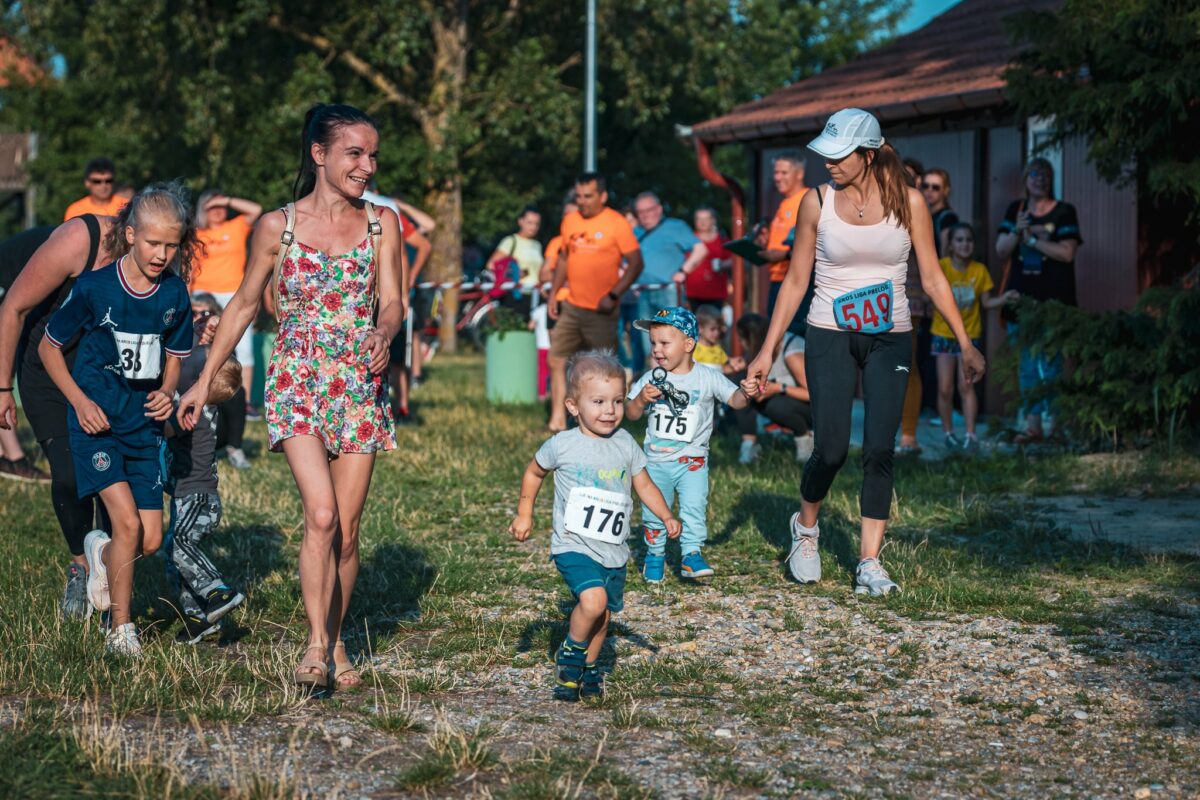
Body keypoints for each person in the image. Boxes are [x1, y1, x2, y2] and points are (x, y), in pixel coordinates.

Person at [179, 104, 406, 689]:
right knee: (321, 515)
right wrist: (203, 382)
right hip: (297, 379)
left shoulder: (382, 223)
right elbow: (243, 304)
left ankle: (337, 640)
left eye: (373, 155)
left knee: (347, 533)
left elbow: (393, 301)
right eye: (355, 153)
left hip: (358, 384)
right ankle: (314, 647)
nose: (367, 166)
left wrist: (383, 333)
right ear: (320, 154)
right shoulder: (275, 227)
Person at [747, 108, 985, 596]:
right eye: (826, 154)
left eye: (839, 156)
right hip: (828, 332)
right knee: (832, 448)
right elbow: (795, 280)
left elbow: (932, 277)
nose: (829, 163)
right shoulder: (816, 202)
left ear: (869, 155)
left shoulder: (909, 202)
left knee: (880, 447)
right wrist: (766, 351)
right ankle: (806, 529)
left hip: (890, 335)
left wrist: (965, 344)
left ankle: (869, 561)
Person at [39, 182, 197, 656]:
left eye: (171, 245)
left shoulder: (175, 293)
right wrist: (79, 402)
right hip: (97, 425)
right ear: (130, 235)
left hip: (142, 428)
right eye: (153, 243)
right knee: (126, 523)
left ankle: (100, 552)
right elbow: (49, 348)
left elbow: (175, 355)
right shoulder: (94, 288)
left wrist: (167, 391)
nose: (162, 254)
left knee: (148, 540)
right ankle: (121, 631)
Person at [509, 350, 680, 701]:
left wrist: (666, 515)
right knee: (593, 600)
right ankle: (570, 654)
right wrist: (525, 513)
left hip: (613, 550)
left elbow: (644, 484)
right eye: (598, 402)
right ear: (573, 406)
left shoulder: (625, 444)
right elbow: (534, 472)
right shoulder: (563, 444)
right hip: (574, 545)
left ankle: (585, 671)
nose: (610, 410)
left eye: (617, 401)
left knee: (602, 617)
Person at [0, 213, 123, 619]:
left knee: (110, 480)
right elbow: (13, 309)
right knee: (69, 475)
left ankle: (111, 578)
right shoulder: (79, 239)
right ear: (131, 230)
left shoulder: (160, 257)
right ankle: (80, 566)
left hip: (103, 377)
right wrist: (3, 388)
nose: (161, 254)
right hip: (45, 370)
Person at [625, 308, 756, 582]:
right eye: (653, 343)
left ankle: (691, 554)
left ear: (688, 344)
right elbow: (631, 414)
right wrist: (640, 400)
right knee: (654, 512)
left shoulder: (707, 377)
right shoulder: (651, 378)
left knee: (694, 508)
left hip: (693, 461)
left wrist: (746, 392)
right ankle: (655, 554)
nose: (657, 350)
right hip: (655, 462)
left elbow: (735, 400)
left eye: (664, 343)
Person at [163, 333, 245, 644]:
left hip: (197, 497)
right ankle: (200, 617)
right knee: (177, 556)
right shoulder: (206, 408)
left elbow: (164, 429)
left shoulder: (192, 412)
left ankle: (217, 591)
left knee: (180, 543)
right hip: (194, 497)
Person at [547, 173, 643, 431]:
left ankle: (606, 422)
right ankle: (557, 421)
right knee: (557, 359)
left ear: (603, 196)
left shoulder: (617, 223)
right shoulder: (570, 220)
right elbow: (564, 259)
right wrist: (554, 293)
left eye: (588, 196)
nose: (582, 201)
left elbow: (636, 263)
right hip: (571, 306)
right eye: (578, 196)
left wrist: (613, 295)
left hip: (602, 311)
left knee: (604, 369)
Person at [996, 157, 1083, 444]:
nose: (1039, 178)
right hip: (1021, 302)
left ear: (1051, 179)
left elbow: (1067, 253)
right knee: (1028, 365)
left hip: (1055, 303)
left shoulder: (1064, 212)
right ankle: (1033, 426)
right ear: (1025, 179)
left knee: (1054, 364)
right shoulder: (1016, 210)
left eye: (1045, 174)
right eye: (1033, 173)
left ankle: (1056, 426)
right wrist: (1016, 231)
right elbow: (1001, 250)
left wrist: (1032, 241)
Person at [933, 223, 1013, 451]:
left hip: (969, 338)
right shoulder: (942, 267)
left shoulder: (979, 271)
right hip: (943, 334)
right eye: (959, 240)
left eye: (969, 240)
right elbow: (932, 294)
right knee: (945, 388)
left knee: (966, 386)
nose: (965, 244)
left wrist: (1006, 298)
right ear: (950, 245)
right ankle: (948, 434)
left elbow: (986, 302)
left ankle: (971, 436)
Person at [191, 189, 264, 426]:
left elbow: (256, 210)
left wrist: (227, 199)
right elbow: (190, 269)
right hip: (202, 295)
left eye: (221, 206)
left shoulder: (236, 226)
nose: (218, 210)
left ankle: (244, 401)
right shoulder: (196, 233)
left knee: (243, 347)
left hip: (234, 294)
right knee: (201, 345)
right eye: (212, 206)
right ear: (203, 209)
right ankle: (201, 393)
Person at [628, 193, 707, 371]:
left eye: (649, 210)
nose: (645, 215)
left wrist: (683, 271)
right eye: (640, 212)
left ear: (659, 209)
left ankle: (676, 379)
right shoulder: (635, 232)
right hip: (642, 292)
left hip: (668, 291)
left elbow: (700, 249)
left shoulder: (675, 227)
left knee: (671, 339)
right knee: (648, 342)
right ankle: (657, 381)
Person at [731, 313, 813, 465]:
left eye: (741, 339)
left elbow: (813, 394)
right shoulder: (759, 348)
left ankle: (806, 439)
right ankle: (749, 444)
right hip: (787, 400)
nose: (741, 344)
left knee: (773, 404)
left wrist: (778, 388)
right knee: (740, 384)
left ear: (750, 339)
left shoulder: (791, 351)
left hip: (815, 409)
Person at [759, 152, 811, 335]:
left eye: (784, 173)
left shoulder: (807, 200)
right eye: (776, 173)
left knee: (792, 336)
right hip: (777, 278)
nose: (777, 177)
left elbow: (811, 242)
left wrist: (783, 254)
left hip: (795, 280)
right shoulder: (785, 203)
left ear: (799, 173)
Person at [486, 206, 544, 293]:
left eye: (537, 224)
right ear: (520, 221)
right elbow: (491, 265)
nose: (534, 227)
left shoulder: (537, 245)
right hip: (515, 293)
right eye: (530, 223)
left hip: (535, 293)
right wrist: (513, 273)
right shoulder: (511, 241)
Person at [687, 207, 732, 312]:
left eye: (706, 219)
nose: (702, 222)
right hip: (692, 294)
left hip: (716, 293)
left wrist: (723, 265)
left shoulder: (723, 240)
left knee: (713, 321)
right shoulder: (688, 240)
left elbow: (733, 260)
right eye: (699, 219)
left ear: (713, 220)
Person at [922, 169, 958, 258]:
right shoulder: (925, 214)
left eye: (935, 187)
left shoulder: (948, 218)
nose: (929, 190)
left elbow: (945, 254)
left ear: (945, 190)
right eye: (926, 186)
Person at [691, 305, 734, 372]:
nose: (717, 333)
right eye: (712, 329)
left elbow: (724, 369)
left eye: (718, 329)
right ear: (700, 328)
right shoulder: (693, 349)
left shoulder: (718, 350)